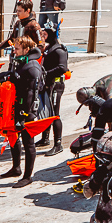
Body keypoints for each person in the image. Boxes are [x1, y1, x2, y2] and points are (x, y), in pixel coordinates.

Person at [0, 36, 44, 187]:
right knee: (13, 137)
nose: (14, 50)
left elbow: (33, 95)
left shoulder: (32, 67)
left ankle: (27, 176)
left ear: (26, 49)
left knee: (28, 142)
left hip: (27, 112)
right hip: (16, 107)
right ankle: (16, 167)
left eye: (17, 48)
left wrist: (24, 116)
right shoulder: (20, 61)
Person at [39, 22, 68, 156]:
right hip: (48, 84)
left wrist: (46, 73)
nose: (43, 36)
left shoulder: (59, 50)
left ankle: (58, 144)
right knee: (47, 111)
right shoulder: (49, 48)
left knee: (55, 114)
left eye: (45, 34)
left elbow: (62, 68)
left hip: (56, 85)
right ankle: (45, 139)